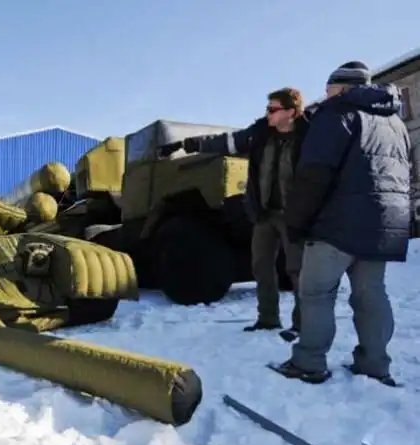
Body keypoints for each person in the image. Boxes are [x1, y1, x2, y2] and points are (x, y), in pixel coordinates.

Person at [269, 61, 413, 386]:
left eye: (330, 88)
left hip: (337, 224)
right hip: (383, 225)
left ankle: (309, 362)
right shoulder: (396, 123)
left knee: (316, 293)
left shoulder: (336, 114)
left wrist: (296, 222)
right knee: (371, 294)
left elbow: (313, 176)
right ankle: (375, 365)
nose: (326, 94)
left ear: (344, 88)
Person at [157, 88, 310, 340]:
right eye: (267, 108)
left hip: (293, 215)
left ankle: (302, 324)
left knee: (298, 270)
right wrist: (187, 144)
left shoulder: (310, 137)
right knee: (261, 267)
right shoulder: (260, 133)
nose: (268, 113)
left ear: (291, 112)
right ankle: (268, 319)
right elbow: (225, 142)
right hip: (264, 214)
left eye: (273, 109)